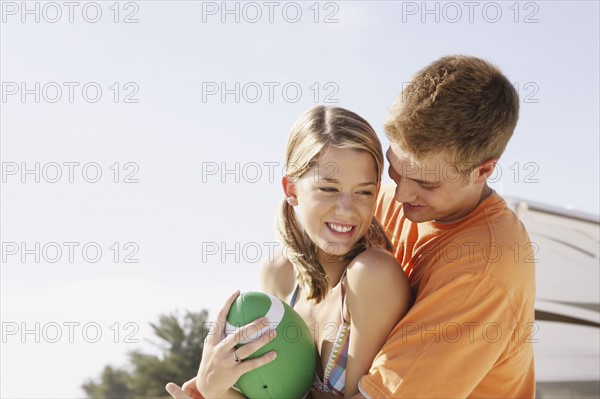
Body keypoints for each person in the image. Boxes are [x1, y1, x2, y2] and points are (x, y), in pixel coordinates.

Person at [166, 55, 536, 398]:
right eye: (394, 169)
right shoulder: (389, 203)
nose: (400, 195)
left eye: (425, 182)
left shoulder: (484, 270)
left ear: (484, 170)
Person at [168, 105, 412, 399]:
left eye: (364, 192)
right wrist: (216, 389)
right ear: (292, 190)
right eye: (329, 189)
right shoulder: (279, 274)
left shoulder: (371, 277)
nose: (347, 210)